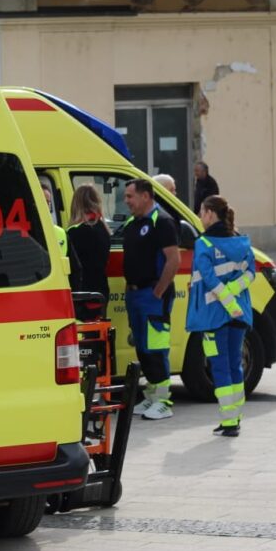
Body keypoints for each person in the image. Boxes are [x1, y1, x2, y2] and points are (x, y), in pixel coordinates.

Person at [186, 195, 255, 437]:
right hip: (239, 315)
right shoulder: (241, 242)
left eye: (201, 212)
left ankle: (228, 421)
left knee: (220, 366)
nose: (199, 216)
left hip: (214, 316)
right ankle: (235, 417)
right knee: (235, 364)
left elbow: (209, 278)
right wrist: (233, 299)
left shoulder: (204, 243)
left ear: (210, 214)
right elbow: (251, 274)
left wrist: (226, 301)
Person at [122, 179, 180, 420]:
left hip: (152, 295)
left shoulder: (162, 221)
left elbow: (173, 260)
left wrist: (158, 291)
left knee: (156, 349)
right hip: (134, 295)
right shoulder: (132, 223)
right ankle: (151, 397)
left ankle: (164, 402)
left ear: (145, 196)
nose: (126, 201)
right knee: (143, 349)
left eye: (130, 196)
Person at [66, 184, 110, 301]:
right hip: (101, 291)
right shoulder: (103, 228)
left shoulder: (74, 232)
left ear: (76, 204)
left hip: (81, 293)